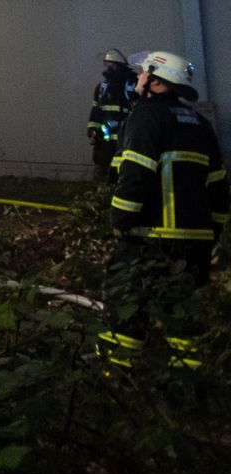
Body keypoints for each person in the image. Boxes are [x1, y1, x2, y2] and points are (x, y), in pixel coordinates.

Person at [103, 50, 226, 365]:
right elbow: (219, 187)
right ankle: (188, 389)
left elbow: (136, 174)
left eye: (143, 74)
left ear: (156, 83)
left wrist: (120, 221)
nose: (138, 80)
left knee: (126, 309)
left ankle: (118, 381)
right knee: (182, 317)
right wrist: (212, 233)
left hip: (151, 238)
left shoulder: (145, 116)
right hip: (196, 244)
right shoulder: (199, 123)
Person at [86, 49, 134, 184]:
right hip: (104, 141)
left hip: (126, 140)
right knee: (101, 174)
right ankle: (100, 199)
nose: (109, 68)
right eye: (107, 65)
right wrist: (92, 129)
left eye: (112, 65)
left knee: (124, 175)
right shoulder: (101, 87)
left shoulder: (131, 85)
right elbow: (96, 110)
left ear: (120, 65)